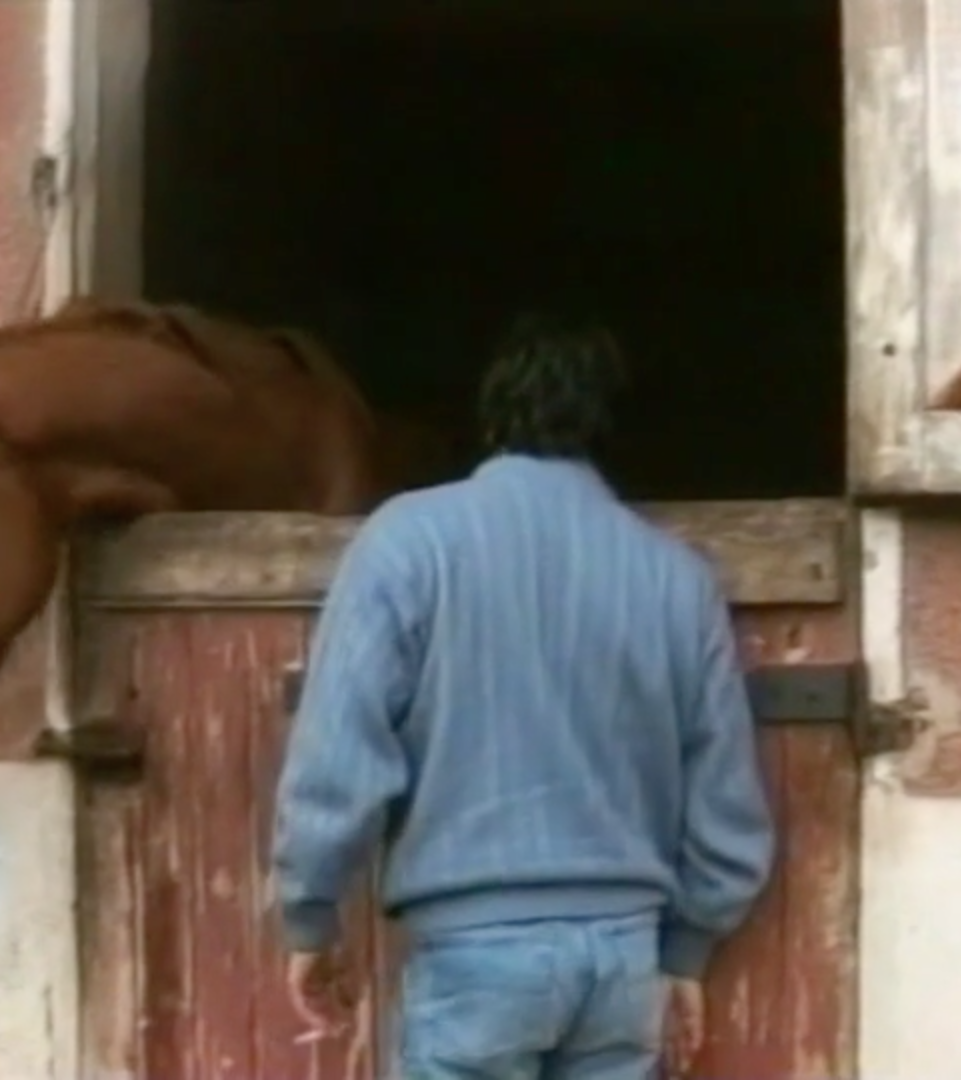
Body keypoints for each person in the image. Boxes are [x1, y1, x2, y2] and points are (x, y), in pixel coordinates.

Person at [269, 313, 775, 1079]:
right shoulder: (676, 576)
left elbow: (338, 755)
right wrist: (688, 948)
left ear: (493, 413)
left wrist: (311, 916)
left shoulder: (407, 541)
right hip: (623, 963)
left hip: (475, 957)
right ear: (609, 423)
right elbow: (725, 793)